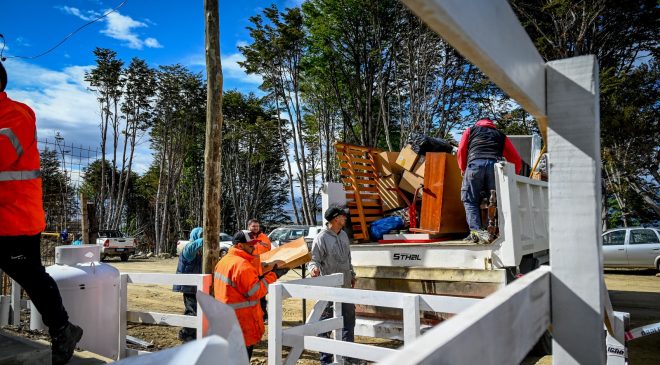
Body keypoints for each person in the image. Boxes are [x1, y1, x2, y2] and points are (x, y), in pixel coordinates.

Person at [0, 61, 83, 365]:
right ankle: (64, 329)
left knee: (31, 276)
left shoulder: (16, 115)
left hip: (16, 219)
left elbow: (5, 152)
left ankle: (62, 329)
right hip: (8, 217)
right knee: (31, 275)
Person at [213, 230, 286, 360]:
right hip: (242, 323)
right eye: (251, 245)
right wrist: (274, 275)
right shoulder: (242, 265)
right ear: (240, 246)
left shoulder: (224, 261)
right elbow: (255, 292)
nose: (254, 248)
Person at [456, 118, 522, 243]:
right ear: (492, 125)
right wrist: (515, 175)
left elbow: (461, 150)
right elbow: (516, 159)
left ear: (478, 123)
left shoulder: (471, 130)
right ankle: (497, 232)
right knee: (495, 202)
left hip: (475, 165)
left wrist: (463, 168)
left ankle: (476, 232)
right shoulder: (500, 135)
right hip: (494, 167)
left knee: (470, 199)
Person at [308, 207, 357, 365]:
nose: (345, 218)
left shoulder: (343, 235)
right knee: (326, 323)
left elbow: (348, 259)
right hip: (329, 289)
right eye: (343, 216)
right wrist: (313, 269)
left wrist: (352, 274)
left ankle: (348, 356)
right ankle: (326, 359)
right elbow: (313, 259)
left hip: (346, 286)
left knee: (349, 321)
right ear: (335, 219)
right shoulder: (321, 238)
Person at [172, 227, 203, 342]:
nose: (202, 237)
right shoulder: (189, 248)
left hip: (197, 286)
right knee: (192, 311)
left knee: (198, 311)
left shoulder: (200, 251)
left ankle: (194, 333)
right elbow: (199, 242)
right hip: (189, 286)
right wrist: (210, 237)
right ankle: (185, 334)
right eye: (200, 235)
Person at [245, 218, 272, 322]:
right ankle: (250, 316)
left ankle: (263, 316)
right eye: (253, 226)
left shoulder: (265, 237)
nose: (255, 228)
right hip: (248, 270)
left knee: (261, 294)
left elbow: (269, 252)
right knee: (249, 295)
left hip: (261, 270)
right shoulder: (245, 237)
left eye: (257, 226)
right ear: (249, 227)